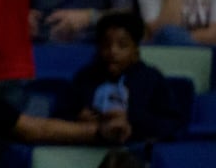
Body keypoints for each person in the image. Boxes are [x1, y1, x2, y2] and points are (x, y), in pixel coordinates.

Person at [54, 12, 187, 146]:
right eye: (106, 45)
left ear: (135, 50)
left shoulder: (151, 79)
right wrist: (78, 119)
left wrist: (131, 120)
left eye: (122, 45)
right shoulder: (84, 77)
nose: (113, 51)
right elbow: (59, 116)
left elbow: (172, 123)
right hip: (86, 149)